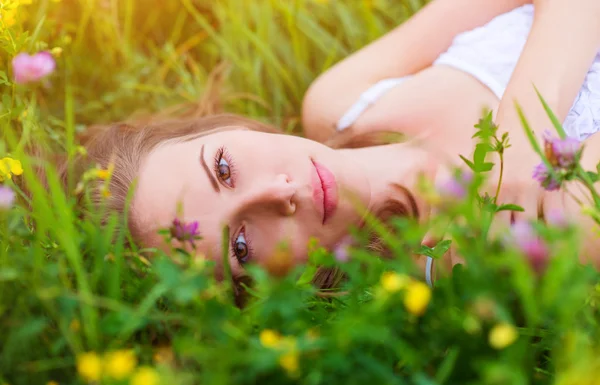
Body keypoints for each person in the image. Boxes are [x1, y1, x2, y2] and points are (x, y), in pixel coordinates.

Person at [68, 0, 600, 291]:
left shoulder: (340, 101)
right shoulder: (478, 252)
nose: (280, 192)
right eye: (242, 246)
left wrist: (514, 148)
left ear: (222, 130)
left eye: (225, 168)